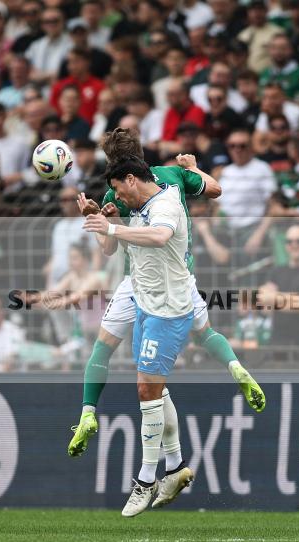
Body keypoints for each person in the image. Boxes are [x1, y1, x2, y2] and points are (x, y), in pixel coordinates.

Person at [66, 128, 264, 461]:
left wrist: (97, 218)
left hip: (138, 280)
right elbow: (216, 189)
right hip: (180, 277)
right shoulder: (172, 174)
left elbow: (110, 248)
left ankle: (89, 412)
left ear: (118, 166)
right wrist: (194, 166)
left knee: (104, 348)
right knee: (205, 333)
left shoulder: (115, 192)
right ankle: (235, 367)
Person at [81, 156, 196, 517]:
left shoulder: (165, 202)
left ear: (131, 179)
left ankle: (146, 480)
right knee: (154, 389)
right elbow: (114, 247)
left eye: (117, 189)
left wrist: (113, 228)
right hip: (146, 303)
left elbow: (160, 237)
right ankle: (175, 468)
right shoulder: (138, 207)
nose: (116, 196)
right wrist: (104, 220)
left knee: (146, 390)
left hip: (168, 307)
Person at [258, 224, 299, 347]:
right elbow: (264, 306)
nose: (294, 245)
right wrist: (292, 300)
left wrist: (272, 297)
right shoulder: (276, 272)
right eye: (289, 241)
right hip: (277, 344)